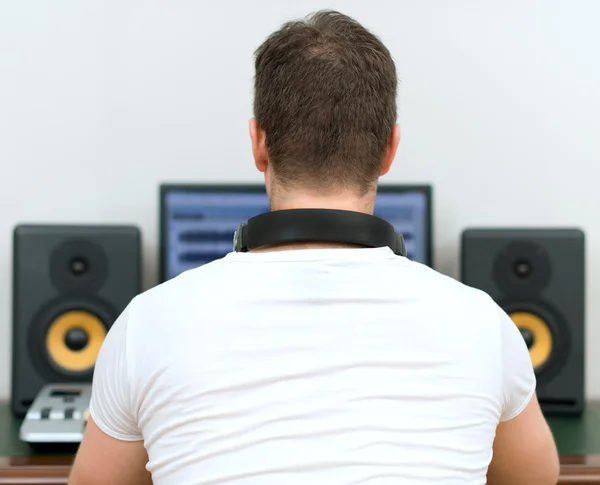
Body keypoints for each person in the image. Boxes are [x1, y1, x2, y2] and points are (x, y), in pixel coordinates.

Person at [69, 10, 559, 485]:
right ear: (389, 149)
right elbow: (536, 478)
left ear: (258, 143)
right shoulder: (482, 323)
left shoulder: (147, 323)